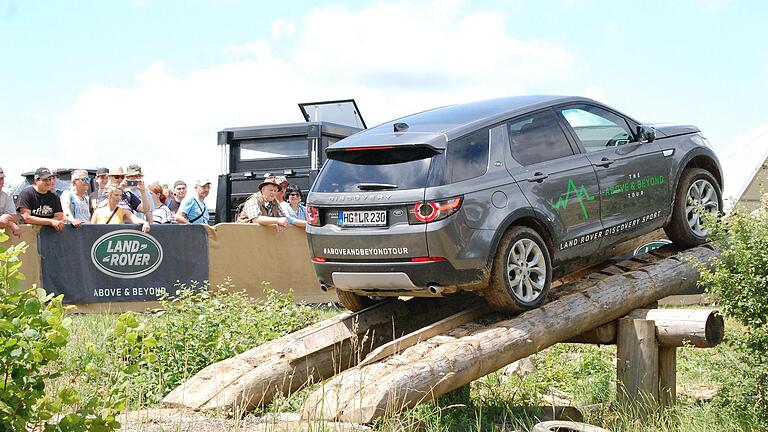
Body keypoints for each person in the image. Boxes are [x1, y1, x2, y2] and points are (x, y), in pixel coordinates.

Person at [16, 167, 65, 231]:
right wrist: (51, 222)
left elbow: (59, 216)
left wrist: (44, 224)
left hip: (49, 234)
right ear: (36, 180)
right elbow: (26, 218)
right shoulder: (27, 194)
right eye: (45, 180)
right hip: (29, 233)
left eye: (50, 179)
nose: (48, 182)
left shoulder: (55, 196)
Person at [0, 166, 21, 237]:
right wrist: (10, 223)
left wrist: (7, 217)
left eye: (1, 178)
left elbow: (14, 217)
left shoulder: (6, 195)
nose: (0, 182)